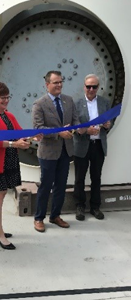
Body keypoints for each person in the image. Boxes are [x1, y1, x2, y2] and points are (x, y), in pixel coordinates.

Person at [0, 82, 40, 250]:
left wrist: (34, 135)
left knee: (3, 193)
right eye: (2, 98)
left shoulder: (8, 116)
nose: (6, 101)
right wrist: (15, 145)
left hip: (7, 160)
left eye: (8, 97)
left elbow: (19, 132)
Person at [32, 70, 80, 233]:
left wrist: (71, 131)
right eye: (55, 82)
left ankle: (55, 216)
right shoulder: (40, 104)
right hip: (48, 153)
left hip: (65, 151)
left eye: (61, 82)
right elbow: (38, 128)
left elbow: (76, 122)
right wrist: (59, 132)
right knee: (45, 186)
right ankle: (39, 218)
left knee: (61, 185)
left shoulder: (68, 100)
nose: (59, 85)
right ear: (47, 85)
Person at [73, 74, 112, 221]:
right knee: (79, 178)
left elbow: (110, 121)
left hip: (98, 145)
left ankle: (95, 207)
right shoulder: (76, 104)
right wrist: (85, 130)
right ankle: (80, 206)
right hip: (82, 145)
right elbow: (74, 125)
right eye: (88, 86)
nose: (91, 89)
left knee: (96, 177)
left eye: (94, 86)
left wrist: (108, 125)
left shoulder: (104, 102)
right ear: (84, 86)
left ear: (98, 87)